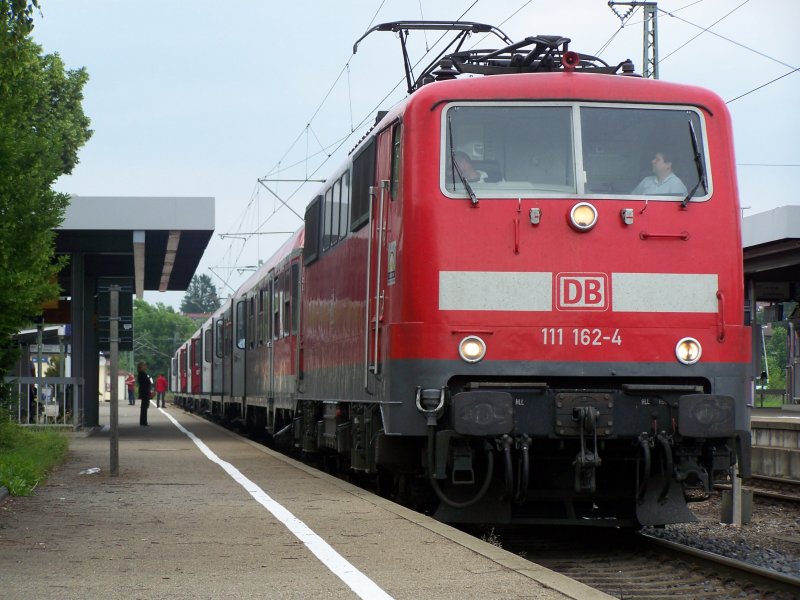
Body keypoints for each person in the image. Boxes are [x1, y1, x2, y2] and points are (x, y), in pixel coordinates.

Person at [137, 361, 152, 426]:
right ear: (141, 367)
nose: (145, 366)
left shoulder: (142, 373)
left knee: (144, 407)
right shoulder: (142, 374)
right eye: (143, 365)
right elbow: (145, 382)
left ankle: (143, 422)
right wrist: (148, 379)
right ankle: (143, 422)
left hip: (144, 391)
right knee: (144, 407)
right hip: (144, 392)